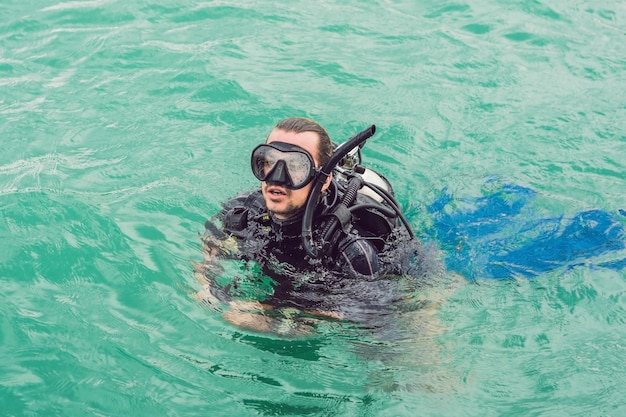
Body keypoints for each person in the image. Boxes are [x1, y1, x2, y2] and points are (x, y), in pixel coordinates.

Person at [194, 117, 420, 332]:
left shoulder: (353, 252)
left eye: (296, 166)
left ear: (324, 180)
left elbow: (369, 316)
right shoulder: (242, 211)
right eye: (270, 161)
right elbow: (211, 252)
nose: (276, 177)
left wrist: (269, 318)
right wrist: (208, 288)